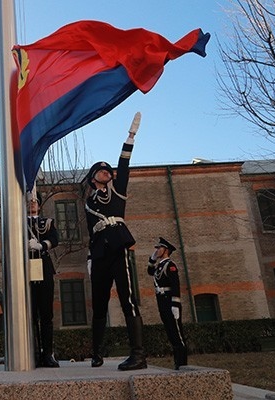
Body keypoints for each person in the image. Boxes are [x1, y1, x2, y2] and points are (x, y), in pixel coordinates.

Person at [84, 112, 147, 371]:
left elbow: (124, 164)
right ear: (93, 177)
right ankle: (96, 353)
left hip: (118, 249)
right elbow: (91, 231)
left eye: (108, 170)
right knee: (99, 304)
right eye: (101, 170)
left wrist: (130, 137)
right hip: (100, 253)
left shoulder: (118, 190)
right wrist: (90, 257)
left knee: (127, 299)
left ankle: (138, 355)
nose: (106, 172)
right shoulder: (89, 202)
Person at [27, 191, 60, 368]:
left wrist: (41, 245)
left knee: (46, 314)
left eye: (35, 201)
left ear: (39, 205)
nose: (32, 203)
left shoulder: (47, 222)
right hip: (26, 267)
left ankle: (47, 354)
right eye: (29, 201)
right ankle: (33, 353)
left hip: (43, 266)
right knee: (30, 314)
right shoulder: (19, 224)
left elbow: (55, 239)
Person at [147, 237, 188, 370]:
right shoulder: (160, 266)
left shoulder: (170, 266)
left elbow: (175, 285)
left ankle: (182, 363)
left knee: (177, 333)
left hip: (170, 302)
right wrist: (152, 259)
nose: (157, 250)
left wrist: (175, 305)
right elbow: (150, 271)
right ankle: (177, 363)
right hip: (162, 302)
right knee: (170, 332)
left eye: (159, 248)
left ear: (166, 250)